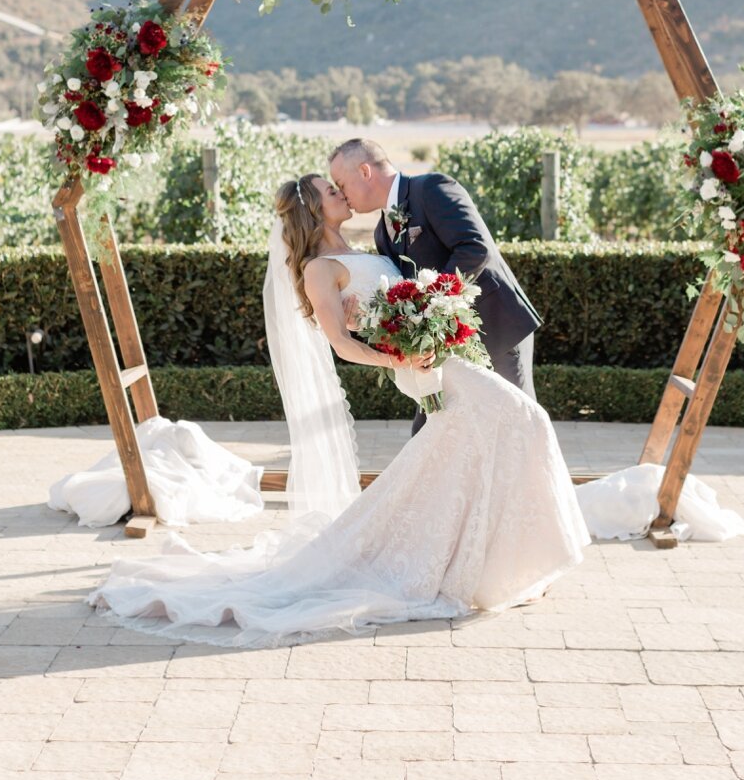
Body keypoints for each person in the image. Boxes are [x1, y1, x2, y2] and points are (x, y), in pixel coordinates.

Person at [87, 173, 592, 648]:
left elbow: (397, 303)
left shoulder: (367, 247)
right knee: (526, 420)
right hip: (425, 366)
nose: (342, 194)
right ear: (313, 209)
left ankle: (494, 566)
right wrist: (397, 354)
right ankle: (505, 561)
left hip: (443, 360)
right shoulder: (318, 270)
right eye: (331, 191)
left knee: (462, 459)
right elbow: (342, 345)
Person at [329, 138, 541, 434]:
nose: (341, 194)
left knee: (518, 425)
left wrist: (429, 304)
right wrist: (361, 322)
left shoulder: (431, 188)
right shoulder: (382, 233)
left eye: (341, 183)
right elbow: (399, 293)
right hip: (442, 346)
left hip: (496, 328)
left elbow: (474, 248)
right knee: (431, 435)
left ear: (365, 171)